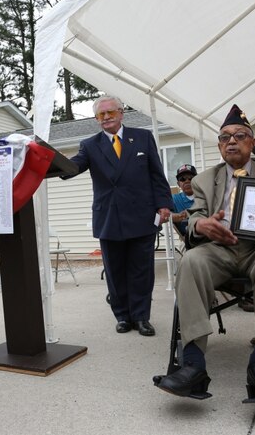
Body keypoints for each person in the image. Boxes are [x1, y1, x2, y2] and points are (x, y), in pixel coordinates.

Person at [157, 104, 255, 400]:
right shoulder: (204, 180)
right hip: (219, 248)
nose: (231, 141)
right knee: (192, 260)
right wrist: (202, 225)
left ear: (253, 142)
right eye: (224, 137)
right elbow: (194, 217)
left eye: (239, 135)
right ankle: (193, 364)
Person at [64, 95, 173, 336]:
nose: (106, 118)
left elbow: (157, 174)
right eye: (101, 115)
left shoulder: (143, 137)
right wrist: (49, 163)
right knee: (115, 271)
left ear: (121, 113)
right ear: (96, 119)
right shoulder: (89, 145)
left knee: (141, 271)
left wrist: (164, 204)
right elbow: (74, 166)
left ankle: (142, 317)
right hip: (109, 218)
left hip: (142, 215)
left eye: (110, 112)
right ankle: (123, 316)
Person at [171, 164, 197, 237]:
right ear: (178, 184)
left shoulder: (205, 196)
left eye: (191, 178)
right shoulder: (174, 199)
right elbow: (165, 214)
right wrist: (179, 216)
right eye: (182, 179)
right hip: (186, 239)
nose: (187, 181)